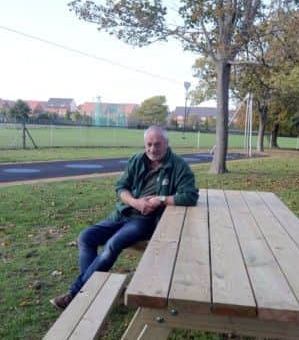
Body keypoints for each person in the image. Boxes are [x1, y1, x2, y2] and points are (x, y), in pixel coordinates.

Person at [50, 125, 199, 310]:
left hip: (144, 221)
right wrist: (135, 202)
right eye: (149, 144)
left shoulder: (178, 166)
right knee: (85, 237)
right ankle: (89, 292)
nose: (152, 149)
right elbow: (121, 187)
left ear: (167, 144)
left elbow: (191, 196)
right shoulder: (137, 160)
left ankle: (74, 295)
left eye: (157, 145)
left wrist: (160, 200)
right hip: (123, 213)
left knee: (112, 245)